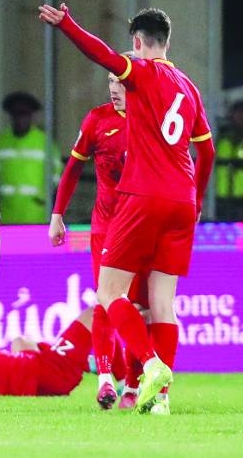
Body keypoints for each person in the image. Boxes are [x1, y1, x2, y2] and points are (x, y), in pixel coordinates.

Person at [38, 3, 216, 415]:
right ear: (167, 42)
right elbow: (205, 150)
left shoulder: (144, 73)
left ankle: (151, 365)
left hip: (144, 196)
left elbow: (100, 54)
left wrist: (68, 24)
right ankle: (161, 402)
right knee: (163, 302)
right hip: (182, 201)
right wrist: (199, 199)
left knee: (109, 292)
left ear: (137, 44)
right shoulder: (189, 87)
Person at [49, 70, 147, 409]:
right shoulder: (97, 119)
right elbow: (73, 167)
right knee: (105, 299)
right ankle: (105, 379)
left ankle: (134, 386)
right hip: (105, 226)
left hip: (141, 226)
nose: (115, 89)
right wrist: (57, 214)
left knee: (136, 307)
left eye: (121, 82)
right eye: (110, 82)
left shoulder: (152, 120)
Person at [0, 91, 61, 224]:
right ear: (11, 116)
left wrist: (44, 197)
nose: (21, 118)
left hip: (36, 214)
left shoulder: (45, 142)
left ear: (31, 116)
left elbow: (57, 173)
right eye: (16, 114)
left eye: (25, 114)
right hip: (6, 214)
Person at [215, 100, 243, 220]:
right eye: (238, 113)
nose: (240, 117)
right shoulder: (221, 136)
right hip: (221, 196)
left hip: (240, 198)